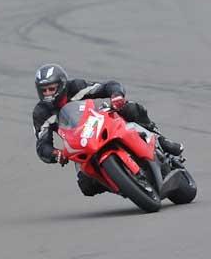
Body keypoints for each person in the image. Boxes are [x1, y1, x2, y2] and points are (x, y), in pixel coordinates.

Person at [32, 63, 184, 196]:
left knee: (129, 108)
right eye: (44, 90)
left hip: (100, 120)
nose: (48, 94)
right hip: (80, 142)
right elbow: (42, 145)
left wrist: (116, 95)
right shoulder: (41, 113)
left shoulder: (76, 87)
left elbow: (107, 86)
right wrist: (55, 154)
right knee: (86, 186)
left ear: (62, 85)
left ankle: (161, 140)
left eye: (51, 89)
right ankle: (121, 183)